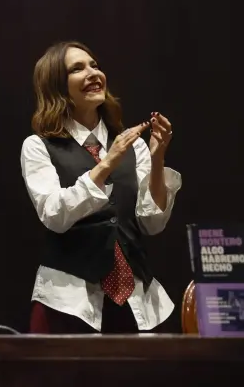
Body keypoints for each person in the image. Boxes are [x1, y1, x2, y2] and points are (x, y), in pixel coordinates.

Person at [21, 41, 182, 333]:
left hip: (135, 303)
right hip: (68, 305)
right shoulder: (38, 146)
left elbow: (152, 223)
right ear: (57, 85)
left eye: (94, 65)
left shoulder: (133, 147)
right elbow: (54, 215)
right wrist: (106, 164)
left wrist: (157, 157)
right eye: (77, 68)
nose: (93, 73)